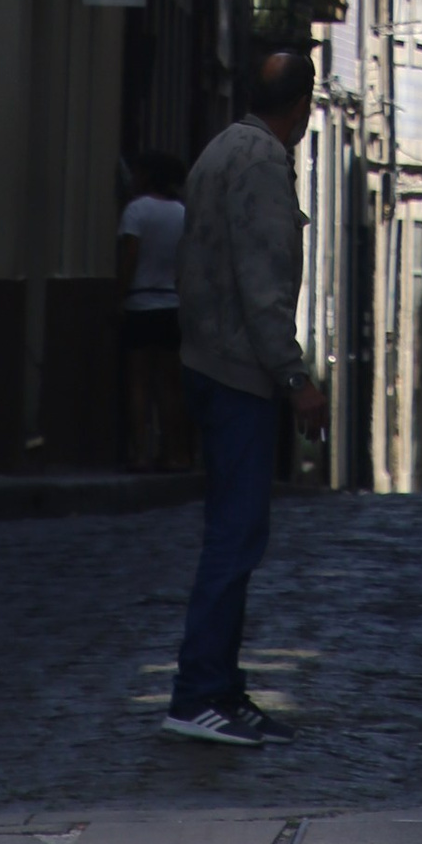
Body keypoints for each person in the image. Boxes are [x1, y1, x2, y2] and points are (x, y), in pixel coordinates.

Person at [163, 49, 327, 749]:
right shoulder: (263, 163)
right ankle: (199, 691)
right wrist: (294, 378)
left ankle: (220, 689)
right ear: (304, 107)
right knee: (234, 538)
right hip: (238, 373)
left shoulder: (217, 150)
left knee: (231, 535)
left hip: (205, 358)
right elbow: (262, 285)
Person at [117, 148, 189, 474]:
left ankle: (141, 452)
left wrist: (118, 295)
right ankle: (174, 452)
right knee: (169, 385)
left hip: (141, 303)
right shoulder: (181, 213)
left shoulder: (136, 211)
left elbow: (130, 255)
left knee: (139, 383)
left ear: (146, 176)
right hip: (172, 305)